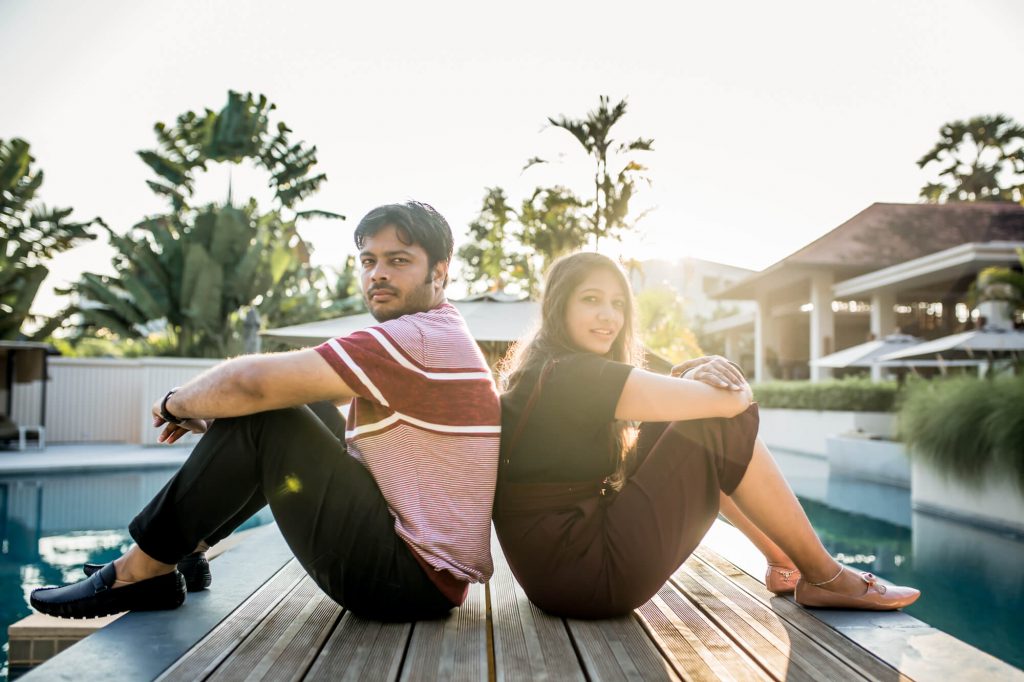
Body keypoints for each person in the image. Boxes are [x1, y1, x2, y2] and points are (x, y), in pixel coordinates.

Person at [32, 201, 501, 622]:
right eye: (368, 261)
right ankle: (186, 549)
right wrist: (220, 419)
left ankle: (141, 571)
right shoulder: (434, 332)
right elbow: (279, 393)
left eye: (398, 261)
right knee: (285, 403)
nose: (377, 273)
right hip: (420, 575)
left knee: (268, 413)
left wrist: (173, 403)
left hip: (404, 582)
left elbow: (249, 385)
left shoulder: (415, 337)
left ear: (439, 272)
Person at [494, 252, 919, 619]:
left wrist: (690, 377)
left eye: (618, 303)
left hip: (557, 571)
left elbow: (671, 404)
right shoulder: (575, 375)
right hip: (585, 576)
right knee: (718, 426)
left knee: (689, 424)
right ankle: (825, 574)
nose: (609, 316)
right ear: (557, 305)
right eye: (591, 300)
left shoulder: (549, 368)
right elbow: (731, 405)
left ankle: (784, 559)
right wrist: (728, 382)